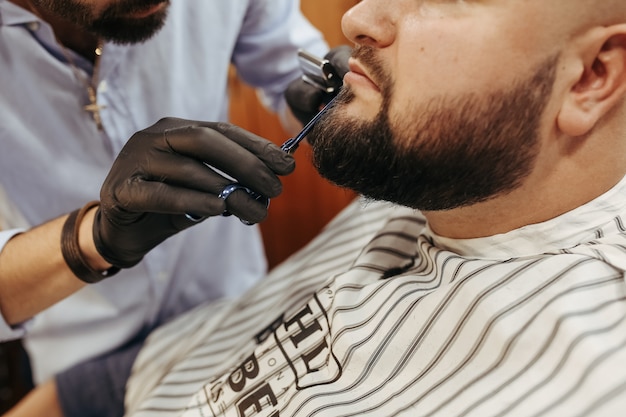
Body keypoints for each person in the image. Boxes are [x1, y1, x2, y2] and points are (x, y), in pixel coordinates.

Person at [7, 0, 626, 415]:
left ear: (593, 75)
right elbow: (113, 386)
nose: (355, 16)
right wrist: (92, 239)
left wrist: (341, 104)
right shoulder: (431, 189)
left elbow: (285, 62)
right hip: (92, 343)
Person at [0, 0, 351, 409]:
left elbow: (289, 69)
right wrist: (92, 239)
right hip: (85, 363)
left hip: (234, 318)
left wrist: (315, 101)